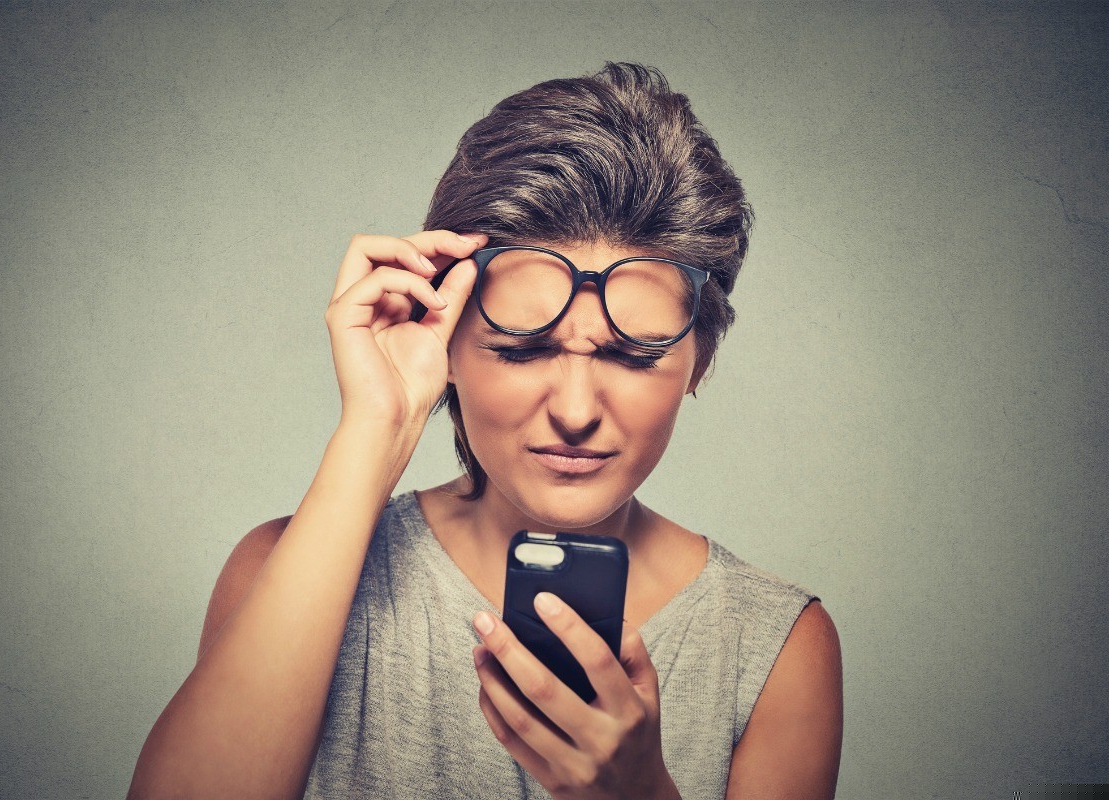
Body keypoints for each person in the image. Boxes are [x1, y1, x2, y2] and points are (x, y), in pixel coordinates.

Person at [127, 62, 843, 800]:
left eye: (632, 356)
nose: (575, 411)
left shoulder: (773, 646)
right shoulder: (280, 571)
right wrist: (378, 427)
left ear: (700, 362)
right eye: (522, 349)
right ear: (446, 343)